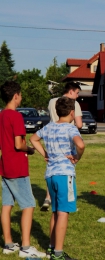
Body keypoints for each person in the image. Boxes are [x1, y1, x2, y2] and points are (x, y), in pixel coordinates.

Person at [30, 96, 85, 260]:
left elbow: (33, 139)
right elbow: (81, 144)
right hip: (65, 174)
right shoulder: (71, 128)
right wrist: (77, 156)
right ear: (72, 112)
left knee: (55, 211)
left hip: (50, 175)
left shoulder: (49, 127)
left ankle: (51, 248)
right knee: (63, 213)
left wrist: (45, 154)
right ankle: (58, 254)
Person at [0, 81, 46, 258]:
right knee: (28, 205)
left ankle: (8, 244)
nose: (21, 98)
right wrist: (30, 149)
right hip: (17, 167)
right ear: (15, 95)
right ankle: (26, 247)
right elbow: (19, 144)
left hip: (4, 165)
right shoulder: (16, 116)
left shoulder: (1, 115)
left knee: (7, 205)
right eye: (20, 95)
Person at [41, 82, 83, 211]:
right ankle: (64, 200)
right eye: (77, 93)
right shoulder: (73, 104)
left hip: (52, 138)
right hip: (66, 140)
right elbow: (79, 124)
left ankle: (48, 198)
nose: (77, 96)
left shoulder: (52, 101)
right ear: (71, 91)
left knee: (52, 166)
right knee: (66, 169)